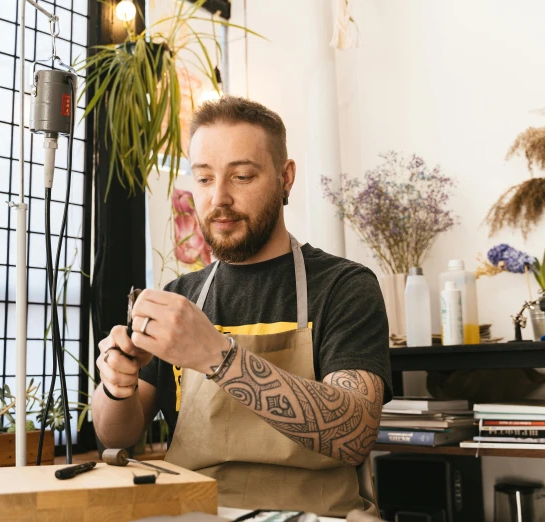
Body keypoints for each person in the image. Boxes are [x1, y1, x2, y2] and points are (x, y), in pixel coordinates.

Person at [93, 96, 392, 516]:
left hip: (317, 513)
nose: (219, 198)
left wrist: (216, 355)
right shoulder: (180, 296)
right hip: (195, 511)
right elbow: (115, 438)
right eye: (203, 179)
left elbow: (354, 432)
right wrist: (116, 386)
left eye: (242, 176)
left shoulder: (343, 286)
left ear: (285, 178)